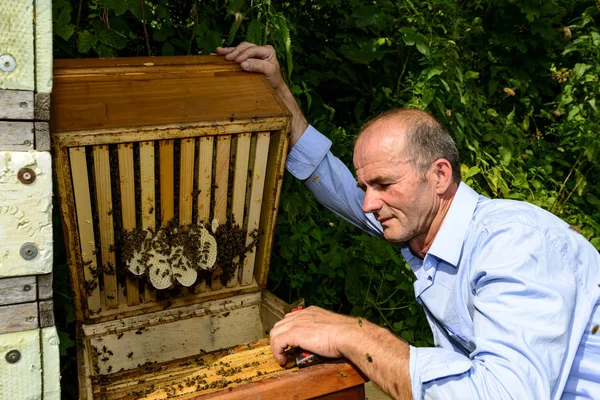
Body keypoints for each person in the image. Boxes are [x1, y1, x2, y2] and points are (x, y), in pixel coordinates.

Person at [216, 43, 600, 400]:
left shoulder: (514, 244)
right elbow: (338, 188)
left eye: (383, 184)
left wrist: (352, 334)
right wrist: (278, 93)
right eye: (364, 185)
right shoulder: (424, 223)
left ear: (440, 176)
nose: (368, 204)